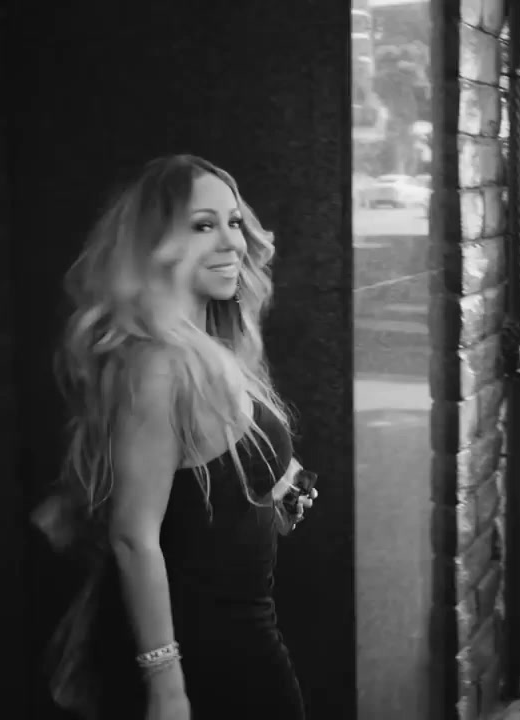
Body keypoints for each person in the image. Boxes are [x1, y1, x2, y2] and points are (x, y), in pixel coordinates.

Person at [41, 154, 318, 720]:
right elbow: (132, 537)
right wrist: (166, 685)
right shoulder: (159, 366)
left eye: (233, 222)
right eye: (203, 225)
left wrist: (279, 494)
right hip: (207, 651)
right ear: (155, 245)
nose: (232, 241)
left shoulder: (208, 348)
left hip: (241, 634)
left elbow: (202, 493)